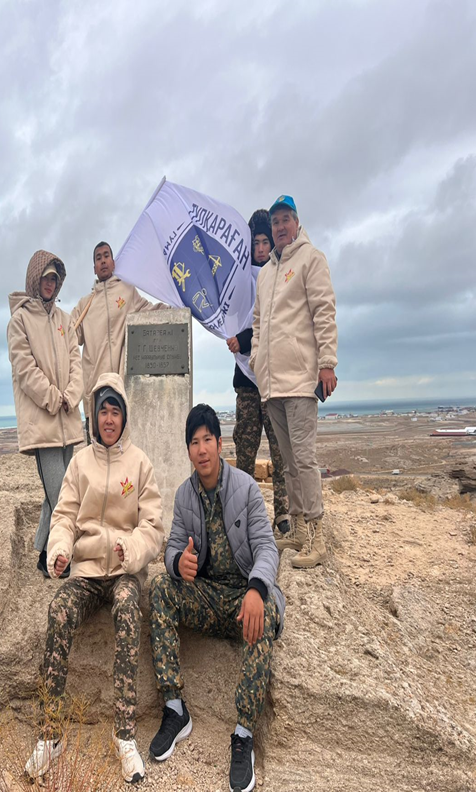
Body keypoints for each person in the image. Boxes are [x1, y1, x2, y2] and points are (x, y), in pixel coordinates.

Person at [25, 373, 164, 785]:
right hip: (86, 572)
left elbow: (153, 526)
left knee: (127, 608)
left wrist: (130, 550)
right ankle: (50, 735)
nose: (109, 419)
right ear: (94, 416)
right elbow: (64, 516)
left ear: (124, 416)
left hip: (123, 571)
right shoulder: (80, 463)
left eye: (115, 411)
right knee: (59, 610)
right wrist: (59, 549)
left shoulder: (140, 463)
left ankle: (125, 736)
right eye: (103, 411)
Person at [148, 404, 285, 792]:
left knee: (267, 607)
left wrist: (257, 589)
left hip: (244, 596)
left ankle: (243, 734)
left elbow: (267, 548)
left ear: (220, 444)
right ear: (188, 450)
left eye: (207, 439)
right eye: (194, 442)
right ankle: (175, 709)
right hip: (209, 598)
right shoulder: (184, 494)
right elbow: (172, 547)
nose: (202, 448)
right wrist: (179, 563)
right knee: (160, 588)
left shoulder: (246, 487)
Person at [250, 195, 338, 569]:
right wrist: (256, 361)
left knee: (304, 461)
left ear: (297, 222)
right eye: (275, 222)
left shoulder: (311, 259)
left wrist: (327, 364)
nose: (280, 227)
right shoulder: (266, 273)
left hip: (301, 381)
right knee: (287, 464)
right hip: (272, 385)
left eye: (286, 219)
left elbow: (324, 312)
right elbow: (258, 323)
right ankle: (299, 531)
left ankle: (318, 537)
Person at [7, 250, 84, 575]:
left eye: (54, 278)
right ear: (34, 279)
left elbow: (76, 362)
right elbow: (25, 370)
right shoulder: (19, 321)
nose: (50, 284)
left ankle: (43, 552)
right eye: (45, 278)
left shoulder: (65, 320)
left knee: (60, 492)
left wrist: (72, 395)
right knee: (61, 494)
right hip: (43, 422)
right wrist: (55, 398)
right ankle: (61, 556)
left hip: (68, 419)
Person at [227, 209, 289, 534]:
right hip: (246, 382)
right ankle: (246, 515)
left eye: (266, 242)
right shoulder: (239, 279)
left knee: (280, 451)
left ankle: (283, 514)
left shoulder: (280, 276)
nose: (261, 249)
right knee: (245, 450)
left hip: (274, 378)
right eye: (256, 243)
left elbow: (273, 322)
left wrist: (244, 339)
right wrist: (236, 339)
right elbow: (232, 314)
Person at [71, 241, 167, 442]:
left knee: (123, 450)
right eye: (98, 258)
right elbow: (69, 337)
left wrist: (176, 307)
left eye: (106, 256)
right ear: (94, 268)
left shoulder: (127, 292)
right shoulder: (84, 304)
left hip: (121, 387)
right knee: (95, 451)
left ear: (113, 262)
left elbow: (149, 311)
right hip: (94, 389)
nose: (103, 261)